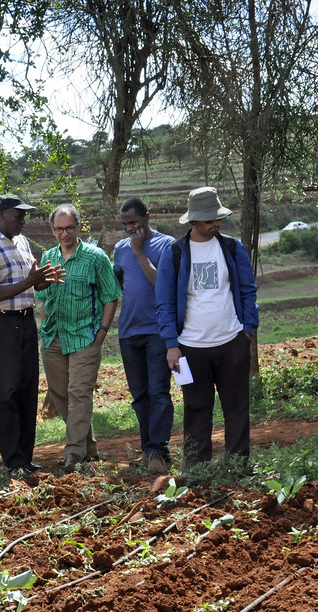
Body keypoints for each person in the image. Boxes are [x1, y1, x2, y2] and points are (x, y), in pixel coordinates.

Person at [156, 186, 258, 468]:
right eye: (209, 220)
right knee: (196, 409)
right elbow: (164, 302)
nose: (216, 224)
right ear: (193, 222)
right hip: (189, 349)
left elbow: (249, 291)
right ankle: (198, 470)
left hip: (232, 343)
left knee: (237, 408)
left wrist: (247, 330)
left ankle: (237, 467)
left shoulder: (232, 247)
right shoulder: (174, 253)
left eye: (217, 219)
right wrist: (171, 345)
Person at [0, 194, 64, 480]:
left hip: (25, 321)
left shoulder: (21, 241)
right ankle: (12, 462)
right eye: (17, 216)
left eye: (24, 216)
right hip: (0, 325)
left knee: (26, 389)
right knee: (5, 393)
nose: (23, 221)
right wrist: (29, 282)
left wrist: (40, 280)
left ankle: (26, 457)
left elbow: (27, 283)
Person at [36, 204, 122, 472]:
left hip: (86, 337)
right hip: (54, 337)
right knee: (60, 394)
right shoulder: (48, 257)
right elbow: (39, 297)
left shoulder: (96, 258)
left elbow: (111, 296)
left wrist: (102, 333)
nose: (65, 233)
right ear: (52, 230)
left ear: (78, 227)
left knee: (79, 394)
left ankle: (73, 454)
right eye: (59, 228)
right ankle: (90, 448)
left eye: (69, 227)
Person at [113, 197, 175, 474]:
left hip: (158, 331)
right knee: (140, 396)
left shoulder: (166, 245)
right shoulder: (119, 249)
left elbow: (159, 283)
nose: (129, 229)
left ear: (147, 217)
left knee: (159, 392)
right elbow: (118, 283)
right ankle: (149, 449)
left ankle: (158, 451)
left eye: (134, 223)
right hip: (129, 331)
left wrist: (139, 252)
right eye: (125, 224)